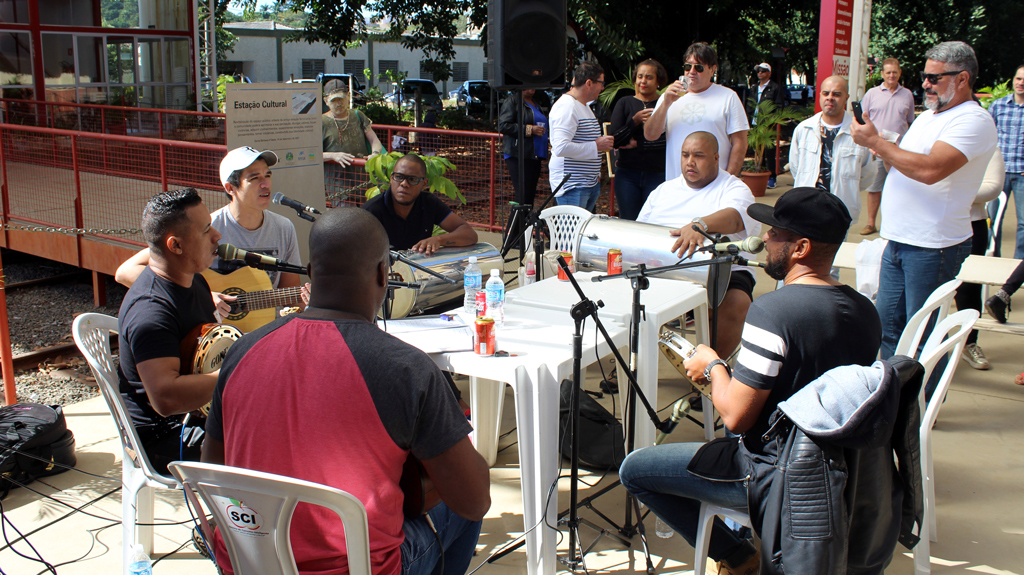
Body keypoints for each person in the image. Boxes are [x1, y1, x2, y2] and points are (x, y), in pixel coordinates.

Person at [202, 207, 490, 575]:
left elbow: (212, 469)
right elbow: (474, 501)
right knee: (458, 510)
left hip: (249, 563)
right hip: (357, 568)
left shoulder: (242, 350)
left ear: (309, 274)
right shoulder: (406, 368)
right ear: (383, 274)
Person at [619, 187, 881, 575]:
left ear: (801, 247)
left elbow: (737, 418)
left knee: (635, 470)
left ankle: (738, 557)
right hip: (836, 462)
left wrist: (712, 366)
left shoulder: (773, 312)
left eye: (776, 232)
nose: (765, 238)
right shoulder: (865, 311)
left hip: (772, 468)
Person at [851, 41, 997, 382]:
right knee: (889, 329)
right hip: (900, 240)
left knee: (924, 337)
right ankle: (891, 403)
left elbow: (930, 170)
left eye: (934, 77)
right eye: (924, 76)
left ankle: (919, 411)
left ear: (962, 79)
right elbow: (907, 161)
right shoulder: (930, 116)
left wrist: (876, 143)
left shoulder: (974, 120)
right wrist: (885, 147)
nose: (925, 84)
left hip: (934, 246)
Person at [114, 147, 304, 318]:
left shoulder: (283, 227)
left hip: (264, 327)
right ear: (230, 188)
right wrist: (202, 297)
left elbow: (291, 294)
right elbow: (125, 271)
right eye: (254, 178)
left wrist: (310, 300)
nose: (266, 184)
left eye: (268, 175)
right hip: (213, 331)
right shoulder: (207, 227)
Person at [117, 188, 222, 474]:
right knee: (266, 442)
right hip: (164, 437)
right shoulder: (150, 312)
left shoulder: (193, 280)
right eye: (205, 231)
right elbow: (166, 399)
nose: (217, 237)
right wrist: (233, 371)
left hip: (199, 413)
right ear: (175, 246)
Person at [637, 131, 760, 358]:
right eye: (685, 155)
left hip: (724, 271)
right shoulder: (664, 191)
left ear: (716, 158)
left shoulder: (734, 188)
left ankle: (710, 374)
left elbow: (735, 218)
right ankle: (631, 365)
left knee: (737, 302)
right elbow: (641, 232)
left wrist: (699, 224)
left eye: (699, 156)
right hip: (662, 270)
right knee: (626, 293)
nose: (690, 162)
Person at [645, 42, 749, 181]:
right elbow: (650, 135)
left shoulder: (728, 97)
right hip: (678, 185)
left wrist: (728, 180)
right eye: (688, 66)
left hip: (715, 185)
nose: (692, 71)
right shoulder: (669, 96)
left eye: (699, 67)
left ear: (712, 69)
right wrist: (666, 103)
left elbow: (740, 143)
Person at [789, 76, 876, 226]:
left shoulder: (858, 133)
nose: (830, 98)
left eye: (836, 94)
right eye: (826, 93)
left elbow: (868, 174)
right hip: (805, 209)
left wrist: (847, 186)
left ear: (846, 98)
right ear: (820, 96)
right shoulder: (803, 129)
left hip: (840, 212)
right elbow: (795, 167)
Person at [362, 153, 477, 254]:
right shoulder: (371, 211)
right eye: (399, 177)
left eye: (412, 179)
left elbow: (469, 234)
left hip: (419, 273)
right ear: (391, 178)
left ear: (424, 184)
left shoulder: (429, 203)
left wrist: (438, 240)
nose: (404, 184)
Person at [956, 149, 1004, 370]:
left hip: (972, 224)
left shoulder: (988, 146)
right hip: (930, 224)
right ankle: (926, 345)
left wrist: (943, 188)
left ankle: (969, 343)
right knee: (927, 288)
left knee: (969, 289)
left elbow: (992, 187)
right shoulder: (931, 134)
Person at [859, 58, 917, 235]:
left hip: (899, 150)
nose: (891, 75)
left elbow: (910, 122)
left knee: (898, 187)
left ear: (899, 73)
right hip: (876, 149)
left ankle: (893, 223)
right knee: (875, 187)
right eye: (888, 72)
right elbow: (862, 119)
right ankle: (870, 223)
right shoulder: (871, 94)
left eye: (895, 72)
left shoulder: (907, 94)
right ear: (882, 74)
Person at [548, 61, 615, 211]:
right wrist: (596, 146)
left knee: (578, 232)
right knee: (570, 233)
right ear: (589, 83)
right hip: (572, 185)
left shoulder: (583, 105)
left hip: (586, 183)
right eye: (601, 83)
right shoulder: (567, 107)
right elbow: (560, 147)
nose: (603, 88)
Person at [609, 59, 668, 220]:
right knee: (629, 222)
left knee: (653, 222)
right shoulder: (624, 103)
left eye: (649, 77)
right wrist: (633, 122)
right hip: (627, 175)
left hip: (658, 174)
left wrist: (638, 144)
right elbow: (615, 140)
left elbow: (668, 141)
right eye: (640, 76)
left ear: (658, 81)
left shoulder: (664, 104)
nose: (643, 81)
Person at [986, 64, 1024, 257]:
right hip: (998, 172)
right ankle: (994, 260)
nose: (1021, 83)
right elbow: (988, 136)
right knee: (993, 219)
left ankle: (1019, 267)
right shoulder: (998, 105)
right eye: (1018, 78)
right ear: (1014, 80)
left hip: (1022, 173)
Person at [322, 79, 386, 196]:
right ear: (326, 101)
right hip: (338, 184)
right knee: (346, 213)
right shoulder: (321, 122)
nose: (338, 103)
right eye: (334, 100)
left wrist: (375, 153)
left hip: (363, 180)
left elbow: (374, 140)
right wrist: (333, 156)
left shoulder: (358, 115)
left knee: (366, 212)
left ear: (348, 96)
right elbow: (311, 154)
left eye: (341, 99)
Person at [498, 88, 549, 207]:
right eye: (527, 84)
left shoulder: (536, 103)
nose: (531, 87)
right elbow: (503, 126)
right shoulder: (512, 101)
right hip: (518, 153)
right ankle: (515, 225)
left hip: (534, 154)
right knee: (522, 196)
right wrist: (529, 129)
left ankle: (525, 225)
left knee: (529, 196)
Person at [745, 62, 787, 189]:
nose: (760, 73)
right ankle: (760, 173)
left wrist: (772, 121)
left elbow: (779, 106)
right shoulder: (754, 88)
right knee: (758, 150)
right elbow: (749, 104)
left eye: (763, 71)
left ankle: (772, 176)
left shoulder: (774, 88)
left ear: (769, 73)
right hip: (755, 123)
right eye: (758, 71)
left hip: (767, 124)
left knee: (769, 150)